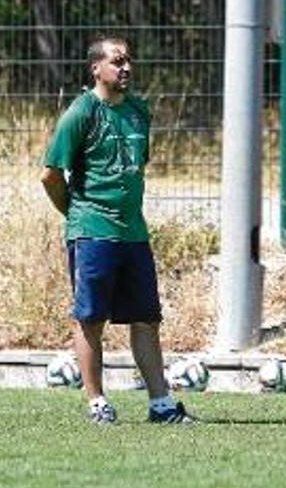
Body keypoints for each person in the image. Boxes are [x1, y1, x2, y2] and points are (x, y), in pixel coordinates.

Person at [40, 36, 193, 425]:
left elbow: (137, 166)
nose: (125, 68)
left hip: (134, 233)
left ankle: (161, 404)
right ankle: (97, 403)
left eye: (128, 61)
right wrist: (76, 214)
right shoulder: (81, 112)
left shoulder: (140, 111)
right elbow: (50, 175)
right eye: (117, 61)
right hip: (92, 230)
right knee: (90, 318)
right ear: (97, 68)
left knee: (146, 318)